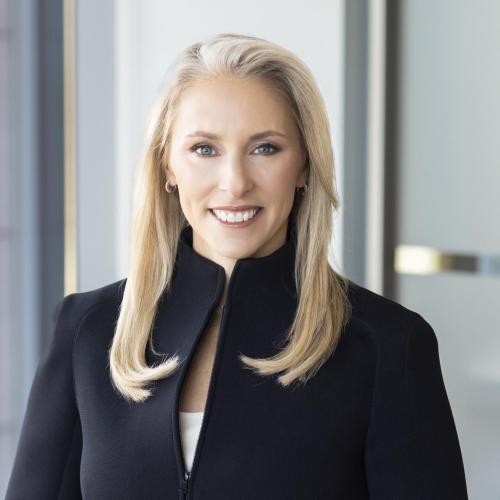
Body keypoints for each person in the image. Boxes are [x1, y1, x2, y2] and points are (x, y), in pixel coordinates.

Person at [6, 32, 468, 499]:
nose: (235, 183)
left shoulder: (388, 345)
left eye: (265, 148)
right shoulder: (87, 330)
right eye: (204, 149)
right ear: (167, 166)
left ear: (305, 165)